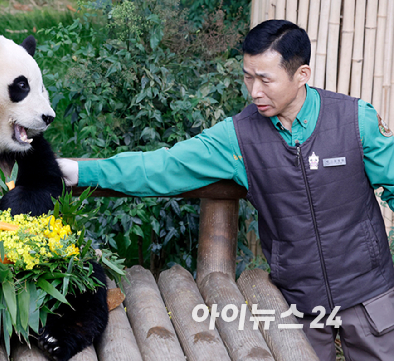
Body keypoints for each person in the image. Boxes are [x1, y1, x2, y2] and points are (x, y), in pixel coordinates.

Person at [57, 20, 394, 360]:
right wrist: (82, 171)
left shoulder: (354, 120)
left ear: (301, 74)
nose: (254, 91)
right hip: (299, 304)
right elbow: (163, 166)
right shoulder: (238, 137)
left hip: (370, 294)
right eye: (248, 76)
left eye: (265, 79)